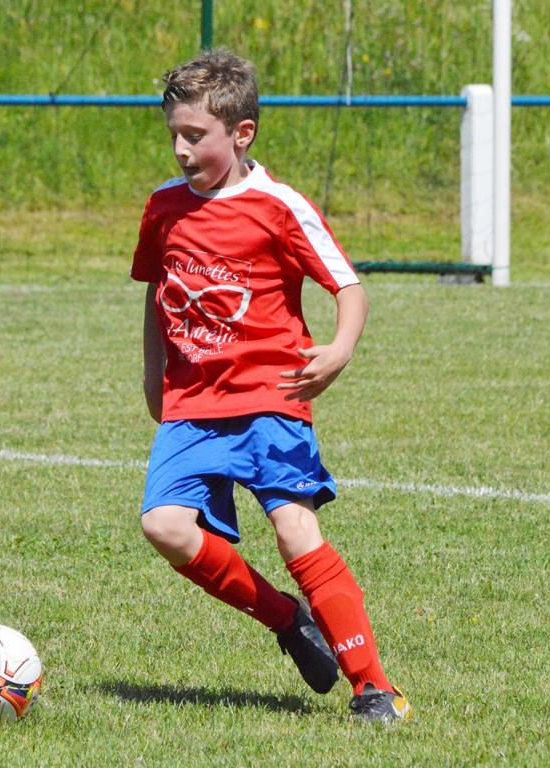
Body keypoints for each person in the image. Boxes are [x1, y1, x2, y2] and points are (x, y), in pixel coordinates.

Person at [131, 49, 409, 723]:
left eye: (195, 135)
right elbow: (156, 294)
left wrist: (339, 349)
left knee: (293, 529)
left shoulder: (279, 206)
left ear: (242, 133)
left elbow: (348, 286)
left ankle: (374, 688)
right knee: (164, 526)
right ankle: (287, 620)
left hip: (270, 398)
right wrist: (152, 374)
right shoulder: (164, 207)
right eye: (174, 134)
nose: (180, 149)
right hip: (193, 402)